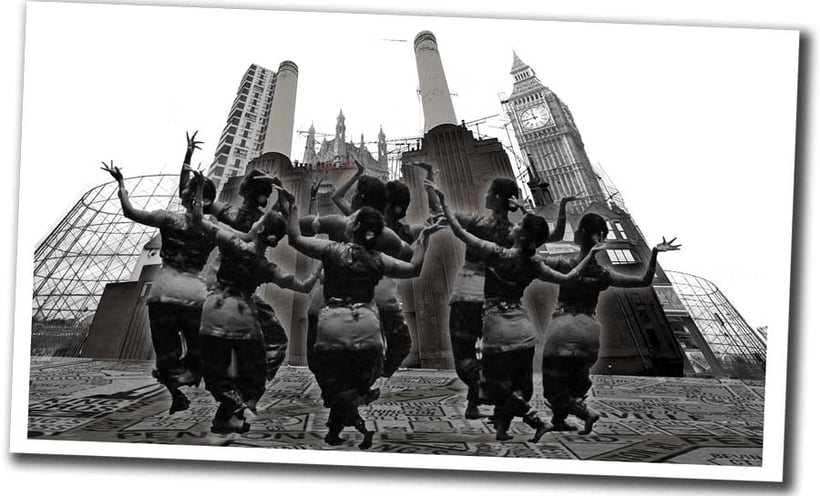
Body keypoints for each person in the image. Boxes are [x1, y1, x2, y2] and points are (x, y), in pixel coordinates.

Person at [430, 183, 600, 442]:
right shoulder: (530, 258)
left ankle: (525, 413)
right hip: (522, 328)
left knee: (470, 365)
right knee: (512, 378)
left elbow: (459, 230)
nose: (485, 195)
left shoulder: (494, 248)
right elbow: (557, 250)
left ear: (497, 197)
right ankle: (497, 421)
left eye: (489, 192)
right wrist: (588, 256)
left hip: (479, 307)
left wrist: (442, 200)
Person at [283, 191, 445, 449]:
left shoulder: (331, 249)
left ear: (354, 227)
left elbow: (294, 239)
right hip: (367, 330)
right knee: (354, 381)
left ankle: (348, 414)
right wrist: (423, 239)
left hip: (332, 328)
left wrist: (291, 207)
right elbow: (414, 268)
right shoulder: (379, 259)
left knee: (335, 381)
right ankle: (348, 420)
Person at [193, 175, 321, 433]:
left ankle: (232, 399)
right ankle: (246, 395)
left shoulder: (232, 228)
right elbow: (295, 231)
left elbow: (202, 212)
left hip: (217, 296)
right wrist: (322, 261)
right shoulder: (265, 262)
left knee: (222, 360)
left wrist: (195, 184)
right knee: (273, 343)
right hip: (240, 302)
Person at [541, 213, 680, 435]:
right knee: (577, 379)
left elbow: (530, 263)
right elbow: (644, 280)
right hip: (589, 329)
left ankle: (585, 413)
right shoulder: (604, 274)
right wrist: (653, 253)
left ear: (579, 236)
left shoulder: (565, 264)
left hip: (564, 325)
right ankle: (560, 420)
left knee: (552, 381)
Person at [101, 159, 216, 415]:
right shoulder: (211, 229)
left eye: (188, 191)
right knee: (198, 349)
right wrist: (188, 166)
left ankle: (177, 393)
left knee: (166, 352)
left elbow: (130, 212)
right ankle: (187, 386)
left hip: (163, 293)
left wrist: (121, 186)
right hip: (192, 295)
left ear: (192, 198)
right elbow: (191, 199)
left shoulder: (169, 219)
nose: (183, 192)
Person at [179, 132, 290, 383]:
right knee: (277, 340)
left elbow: (191, 201)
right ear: (262, 195)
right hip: (235, 290)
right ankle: (247, 383)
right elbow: (290, 219)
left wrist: (189, 164)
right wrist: (281, 190)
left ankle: (229, 377)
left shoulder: (230, 212)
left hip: (224, 287)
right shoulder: (263, 220)